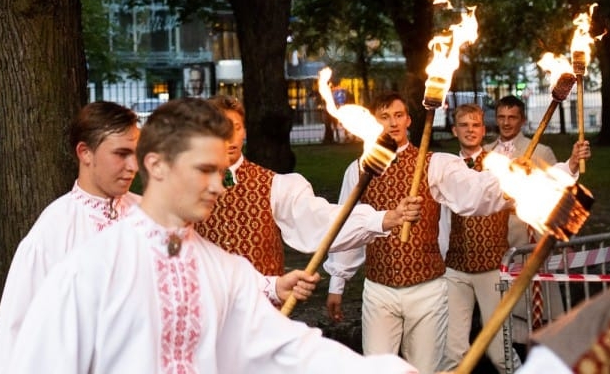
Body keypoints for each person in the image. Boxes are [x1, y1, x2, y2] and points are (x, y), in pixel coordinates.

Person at [6, 96, 419, 374]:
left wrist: (389, 370)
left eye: (221, 171)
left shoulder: (223, 270)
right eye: (205, 170)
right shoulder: (87, 270)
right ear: (158, 165)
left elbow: (291, 349)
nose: (220, 185)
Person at [324, 91, 511, 374]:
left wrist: (514, 179)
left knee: (424, 369)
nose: (393, 123)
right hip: (379, 288)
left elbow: (473, 193)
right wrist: (337, 283)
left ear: (409, 120)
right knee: (376, 369)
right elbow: (346, 227)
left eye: (398, 115)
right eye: (385, 117)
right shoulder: (360, 169)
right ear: (375, 122)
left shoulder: (435, 163)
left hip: (427, 289)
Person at [195, 95, 421, 305]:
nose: (229, 137)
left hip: (262, 316)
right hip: (204, 311)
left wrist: (383, 219)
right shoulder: (187, 188)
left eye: (235, 128)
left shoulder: (273, 186)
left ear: (244, 132)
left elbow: (321, 220)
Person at [0, 101, 141, 374]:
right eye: (121, 153)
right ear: (85, 152)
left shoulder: (150, 219)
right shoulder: (51, 233)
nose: (133, 166)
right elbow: (16, 332)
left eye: (136, 154)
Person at [484, 94, 591, 354]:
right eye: (501, 117)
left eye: (512, 118)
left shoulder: (540, 150)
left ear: (522, 120)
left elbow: (560, 184)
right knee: (501, 308)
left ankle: (541, 353)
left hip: (529, 238)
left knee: (536, 305)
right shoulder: (487, 155)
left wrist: (574, 162)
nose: (506, 123)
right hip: (496, 240)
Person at [443, 103, 518, 372]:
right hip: (455, 267)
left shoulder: (500, 165)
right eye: (464, 125)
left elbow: (518, 200)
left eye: (475, 124)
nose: (470, 130)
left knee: (500, 349)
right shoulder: (446, 168)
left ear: (484, 129)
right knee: (453, 351)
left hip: (492, 267)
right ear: (454, 130)